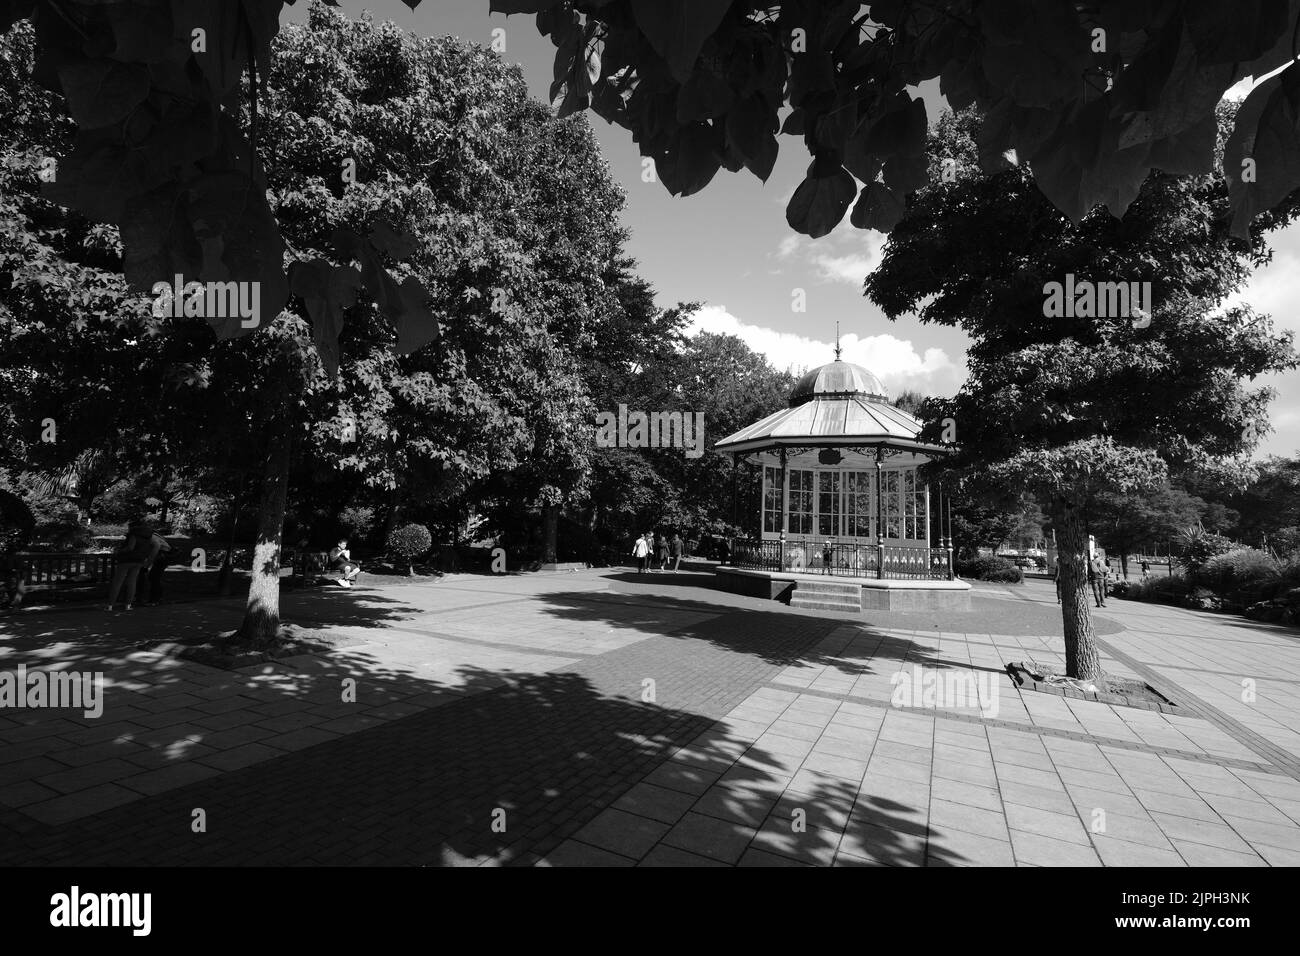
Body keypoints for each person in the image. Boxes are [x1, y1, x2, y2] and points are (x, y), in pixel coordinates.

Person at [106, 518, 155, 611]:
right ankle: (128, 605)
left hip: (127, 560)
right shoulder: (148, 535)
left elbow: (130, 547)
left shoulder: (134, 535)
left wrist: (119, 551)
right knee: (132, 582)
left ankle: (110, 605)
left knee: (118, 582)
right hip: (139, 560)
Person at [135, 529, 173, 606]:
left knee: (154, 577)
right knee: (154, 577)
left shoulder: (150, 538)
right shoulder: (152, 535)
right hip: (164, 555)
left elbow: (155, 549)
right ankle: (156, 598)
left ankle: (155, 599)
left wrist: (146, 566)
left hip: (163, 556)